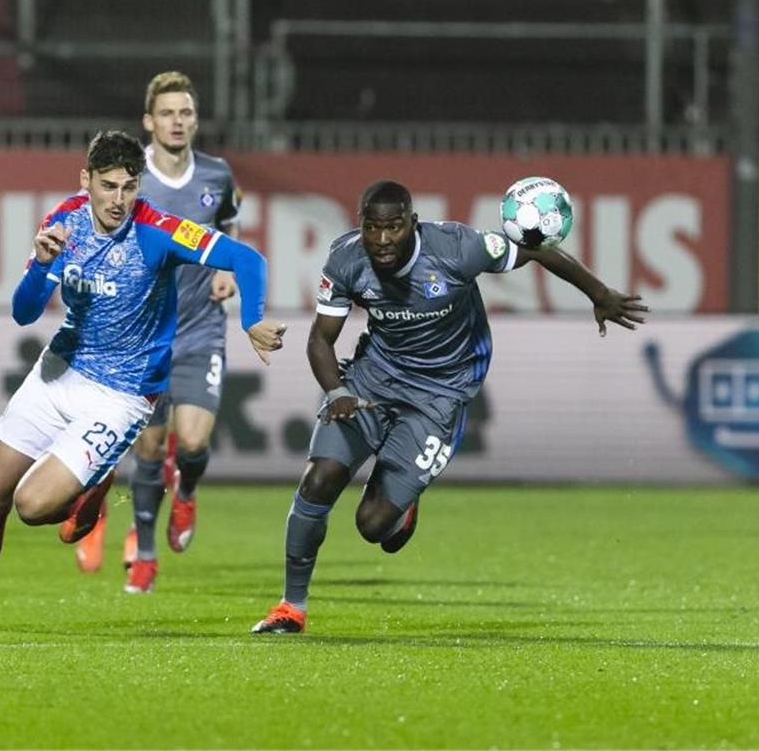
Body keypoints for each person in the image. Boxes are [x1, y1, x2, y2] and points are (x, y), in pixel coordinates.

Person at [250, 180, 649, 634]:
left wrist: (599, 294)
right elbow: (321, 340)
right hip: (373, 379)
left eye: (394, 228)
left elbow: (535, 250)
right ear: (360, 225)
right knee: (318, 480)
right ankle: (290, 608)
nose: (382, 240)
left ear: (412, 224)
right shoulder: (345, 259)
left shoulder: (459, 247)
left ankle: (402, 502)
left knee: (374, 526)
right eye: (373, 228)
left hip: (440, 393)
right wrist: (337, 392)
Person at [0, 130, 285, 631]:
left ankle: (90, 488)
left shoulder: (158, 230)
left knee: (32, 508)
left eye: (128, 187)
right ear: (86, 181)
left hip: (121, 395)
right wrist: (42, 267)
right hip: (60, 371)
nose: (118, 200)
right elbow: (24, 313)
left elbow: (247, 259)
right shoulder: (63, 221)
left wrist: (251, 320)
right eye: (108, 186)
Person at [74, 71, 245, 594]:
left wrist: (226, 267)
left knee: (192, 441)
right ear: (149, 121)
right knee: (148, 449)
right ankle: (145, 553)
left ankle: (187, 489)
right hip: (141, 338)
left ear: (195, 120)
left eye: (186, 113)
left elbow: (227, 224)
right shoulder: (129, 176)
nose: (177, 122)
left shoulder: (216, 175)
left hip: (198, 329)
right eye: (167, 113)